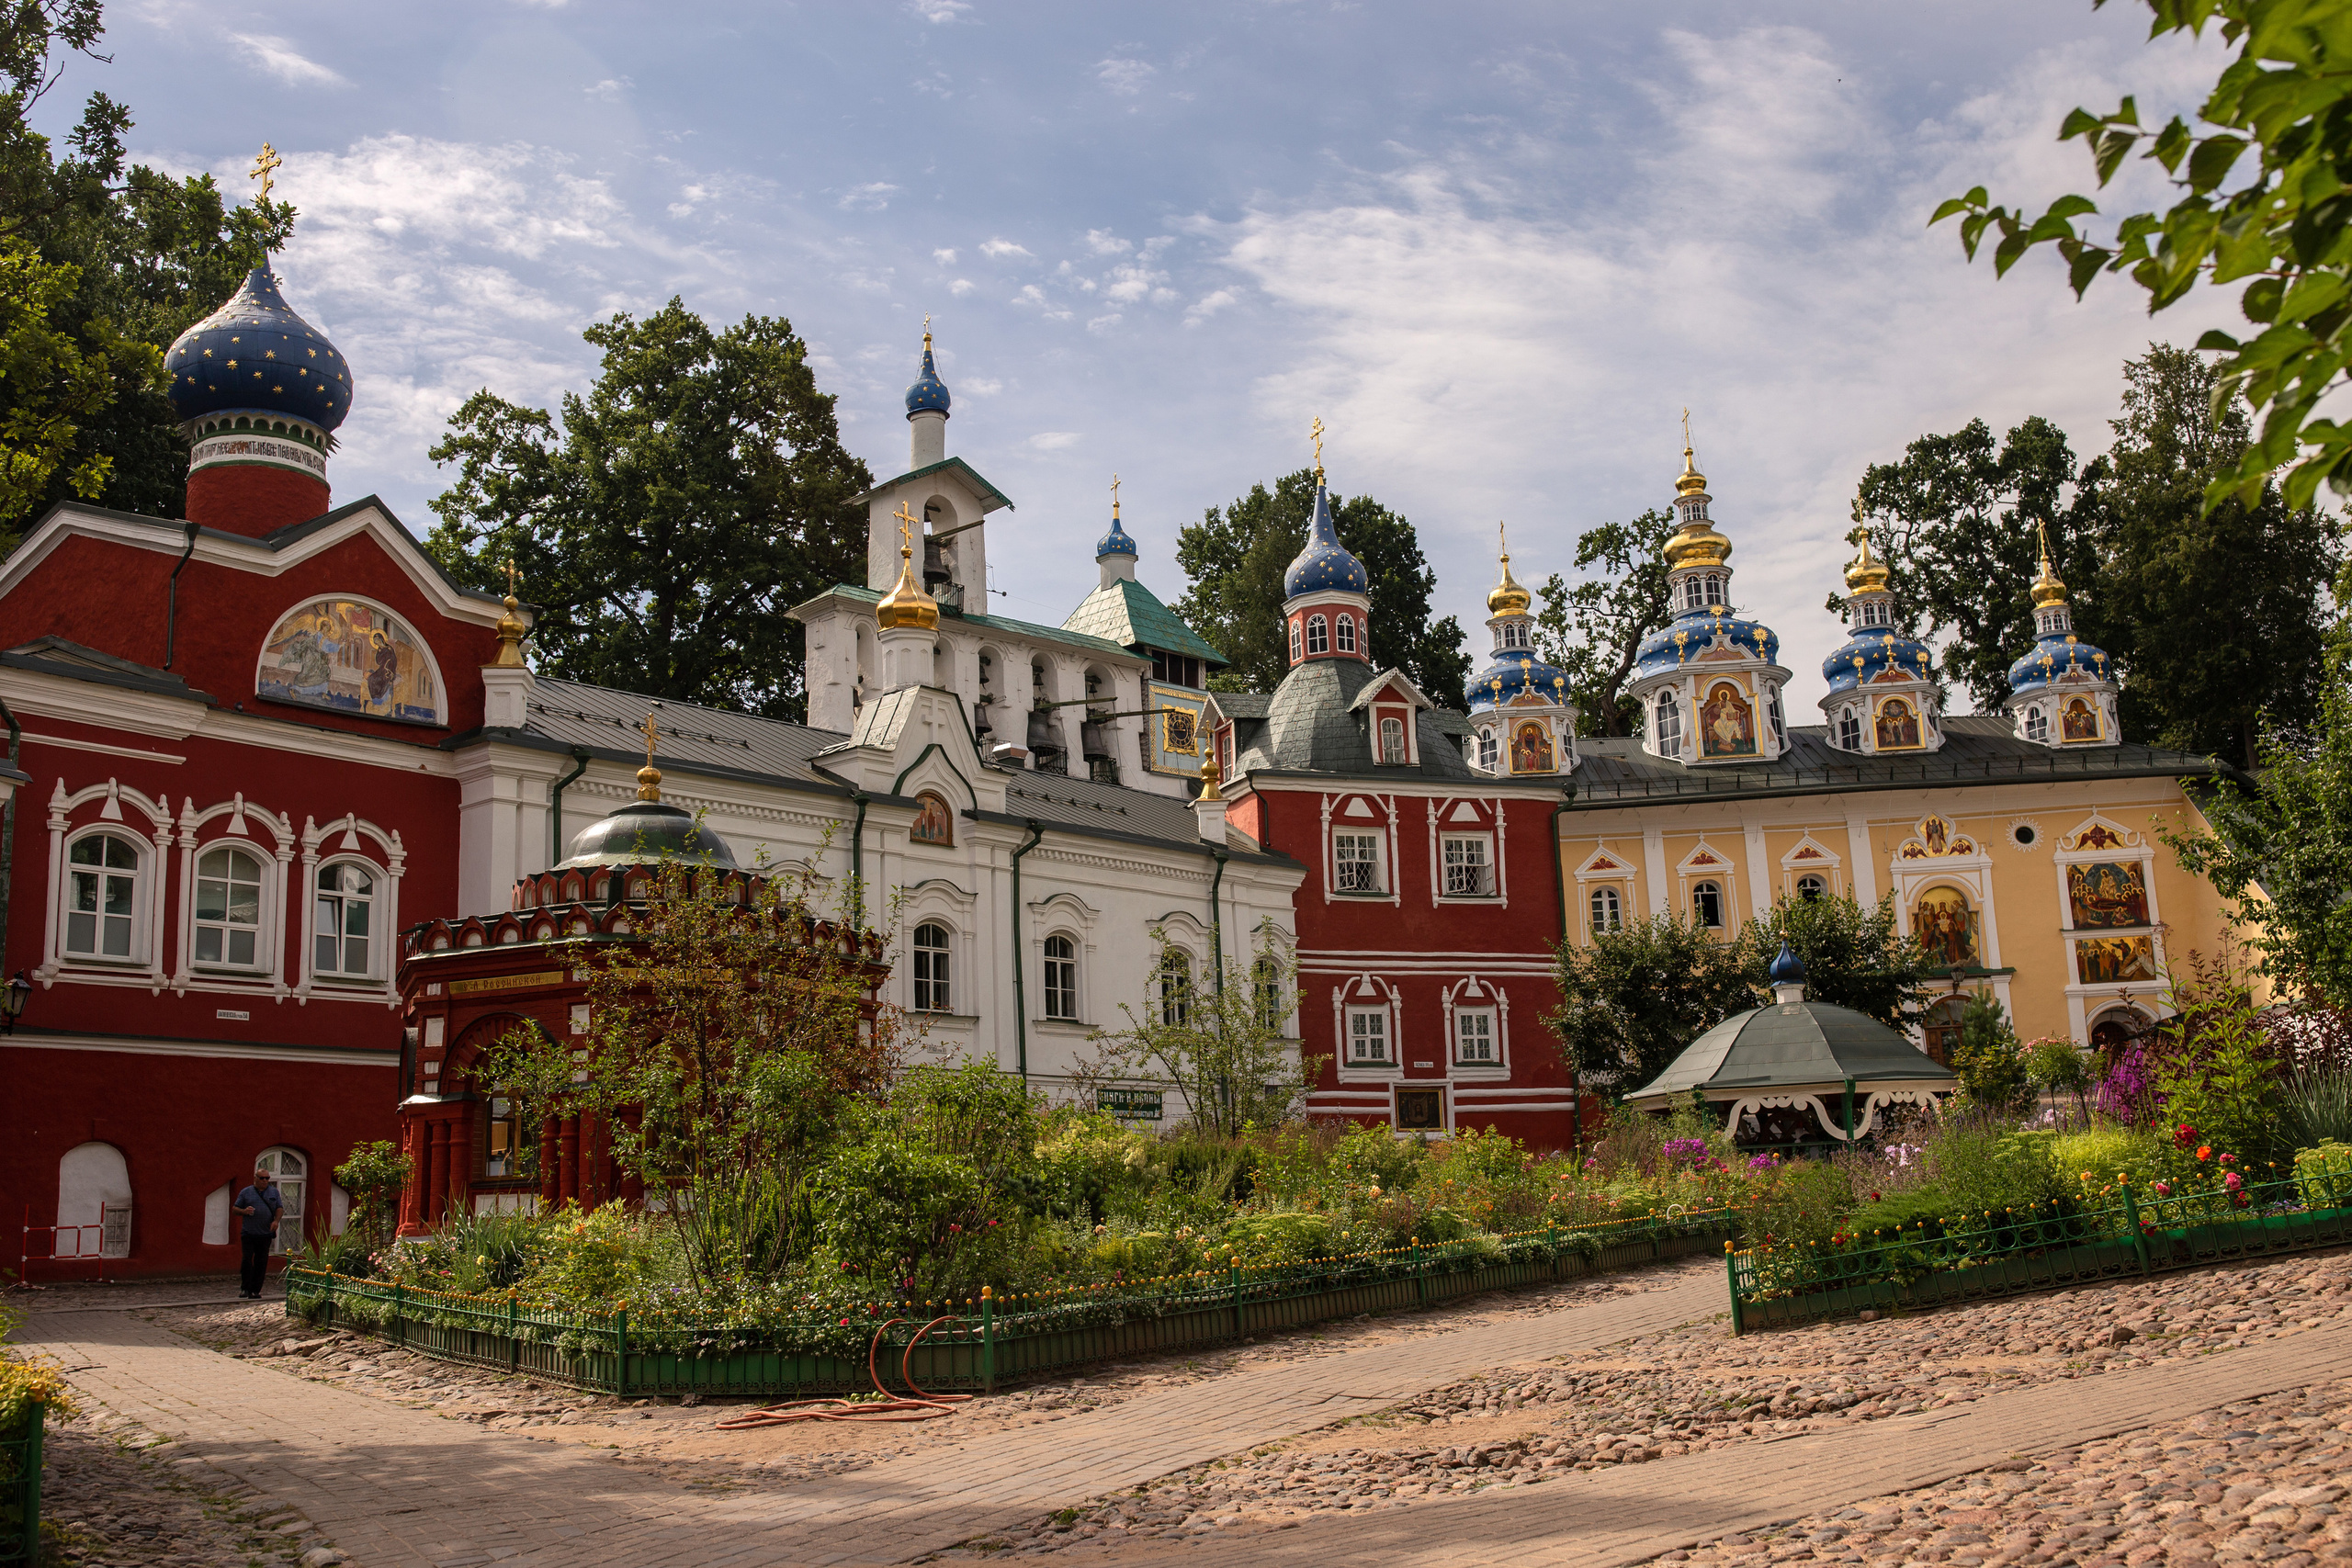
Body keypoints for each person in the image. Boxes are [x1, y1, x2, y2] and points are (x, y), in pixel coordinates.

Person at [232, 1167, 280, 1299]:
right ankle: (245, 1288)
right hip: (249, 1233)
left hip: (265, 1234)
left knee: (261, 1262)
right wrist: (244, 1211)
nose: (265, 1181)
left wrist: (276, 1221)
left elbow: (279, 1208)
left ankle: (255, 1290)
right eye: (262, 1178)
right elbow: (235, 1209)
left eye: (267, 1178)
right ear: (255, 1178)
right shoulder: (246, 1192)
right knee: (247, 1260)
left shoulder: (274, 1192)